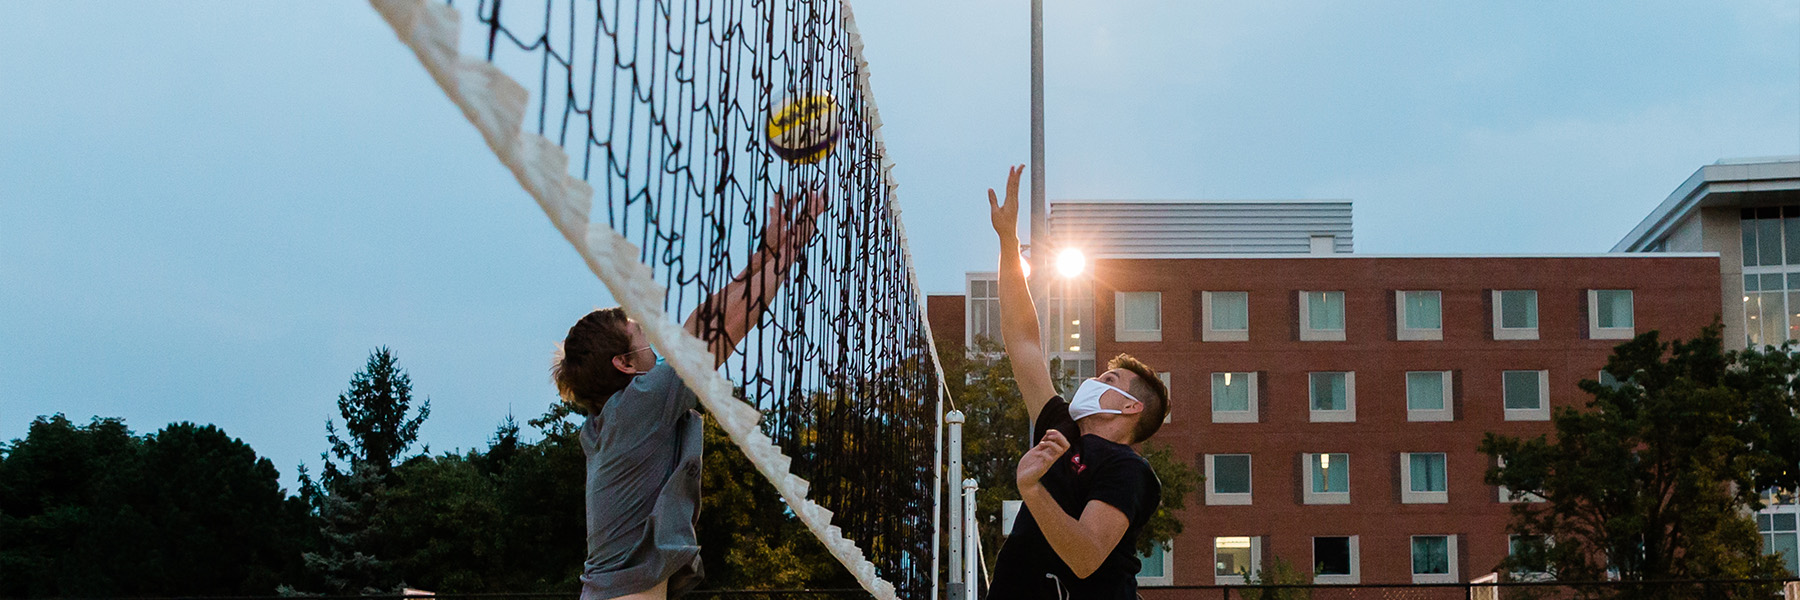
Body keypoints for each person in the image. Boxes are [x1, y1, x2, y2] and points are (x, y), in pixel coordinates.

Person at [552, 192, 827, 600]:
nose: (654, 340)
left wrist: (769, 252)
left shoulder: (618, 416)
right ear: (625, 364)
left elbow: (701, 325)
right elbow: (715, 329)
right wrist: (788, 251)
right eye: (640, 335)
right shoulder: (640, 403)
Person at [983, 165, 1171, 600]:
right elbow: (1023, 339)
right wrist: (1007, 243)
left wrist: (1031, 487)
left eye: (1108, 378)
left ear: (1129, 406)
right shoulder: (1060, 422)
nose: (1092, 380)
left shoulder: (1128, 469)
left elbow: (1086, 556)